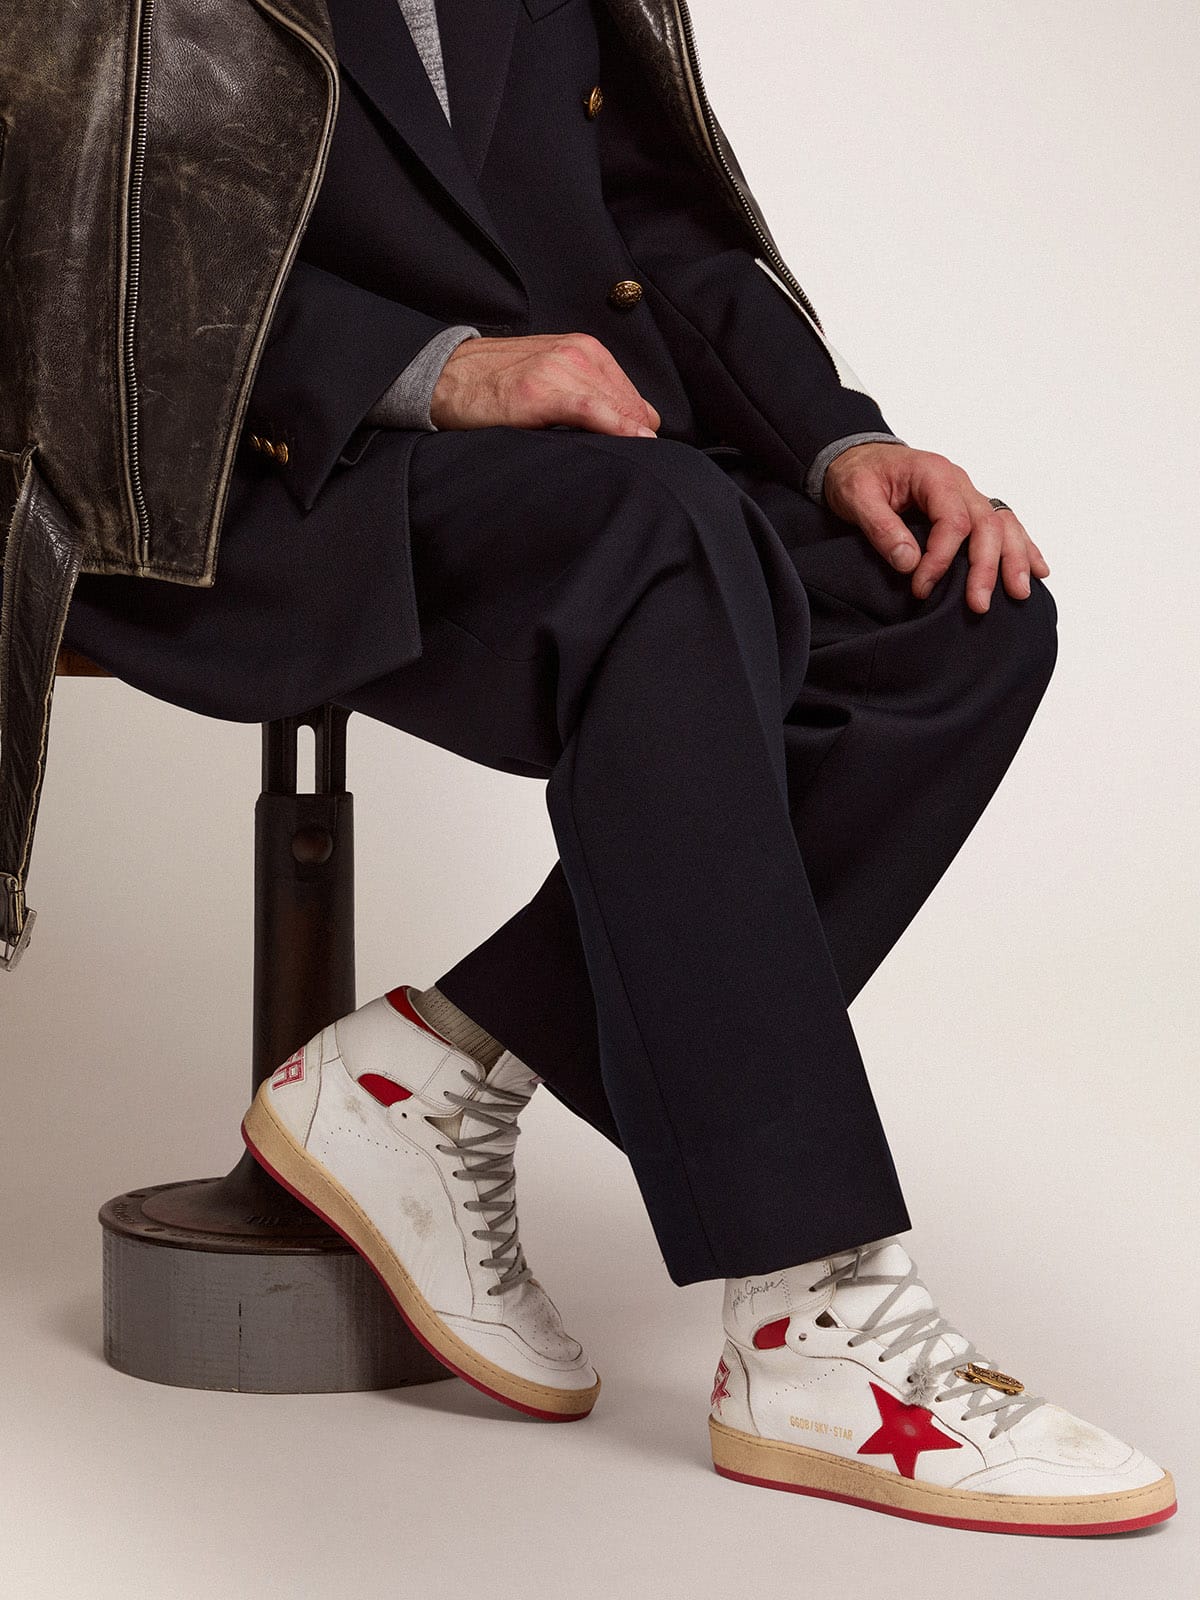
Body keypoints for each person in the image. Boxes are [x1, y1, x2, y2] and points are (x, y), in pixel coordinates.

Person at [57, 0, 1174, 1535]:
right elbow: (53, 244)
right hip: (210, 481)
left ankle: (429, 1072)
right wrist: (436, 369)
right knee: (661, 539)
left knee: (955, 619)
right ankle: (812, 1321)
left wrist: (838, 443)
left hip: (549, 472)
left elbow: (642, 219)